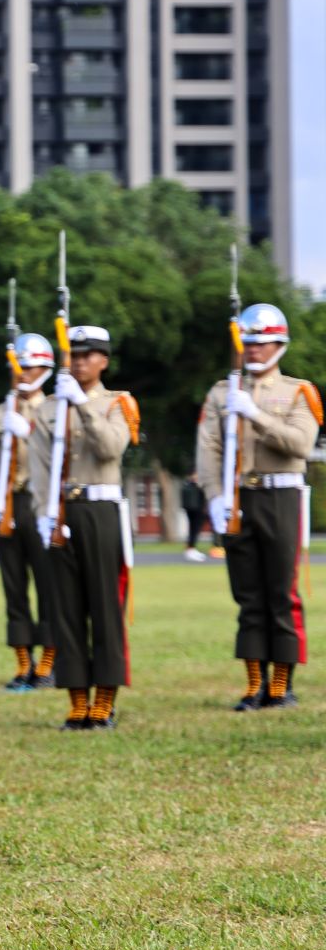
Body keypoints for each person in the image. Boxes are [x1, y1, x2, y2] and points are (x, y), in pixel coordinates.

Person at [195, 303, 321, 711]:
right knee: (247, 592)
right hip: (237, 497)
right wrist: (214, 495)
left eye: (262, 343)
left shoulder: (298, 392)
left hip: (281, 494)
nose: (253, 350)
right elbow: (208, 448)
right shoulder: (221, 392)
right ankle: (254, 684)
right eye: (248, 342)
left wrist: (256, 415)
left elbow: (301, 444)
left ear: (279, 345)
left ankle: (281, 684)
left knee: (281, 592)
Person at [27, 325, 139, 730]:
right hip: (61, 510)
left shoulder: (117, 403)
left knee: (105, 607)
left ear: (103, 360)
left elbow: (110, 448)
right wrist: (44, 513)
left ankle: (104, 700)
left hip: (100, 509)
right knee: (66, 608)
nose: (78, 362)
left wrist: (83, 407)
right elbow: (39, 468)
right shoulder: (48, 409)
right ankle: (77, 701)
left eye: (87, 355)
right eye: (72, 355)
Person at [0, 333, 61, 692]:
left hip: (42, 502)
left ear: (45, 368)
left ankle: (50, 662)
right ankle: (23, 663)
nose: (22, 373)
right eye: (18, 366)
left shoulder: (56, 408)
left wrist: (30, 431)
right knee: (14, 586)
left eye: (29, 366)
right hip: (9, 504)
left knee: (50, 585)